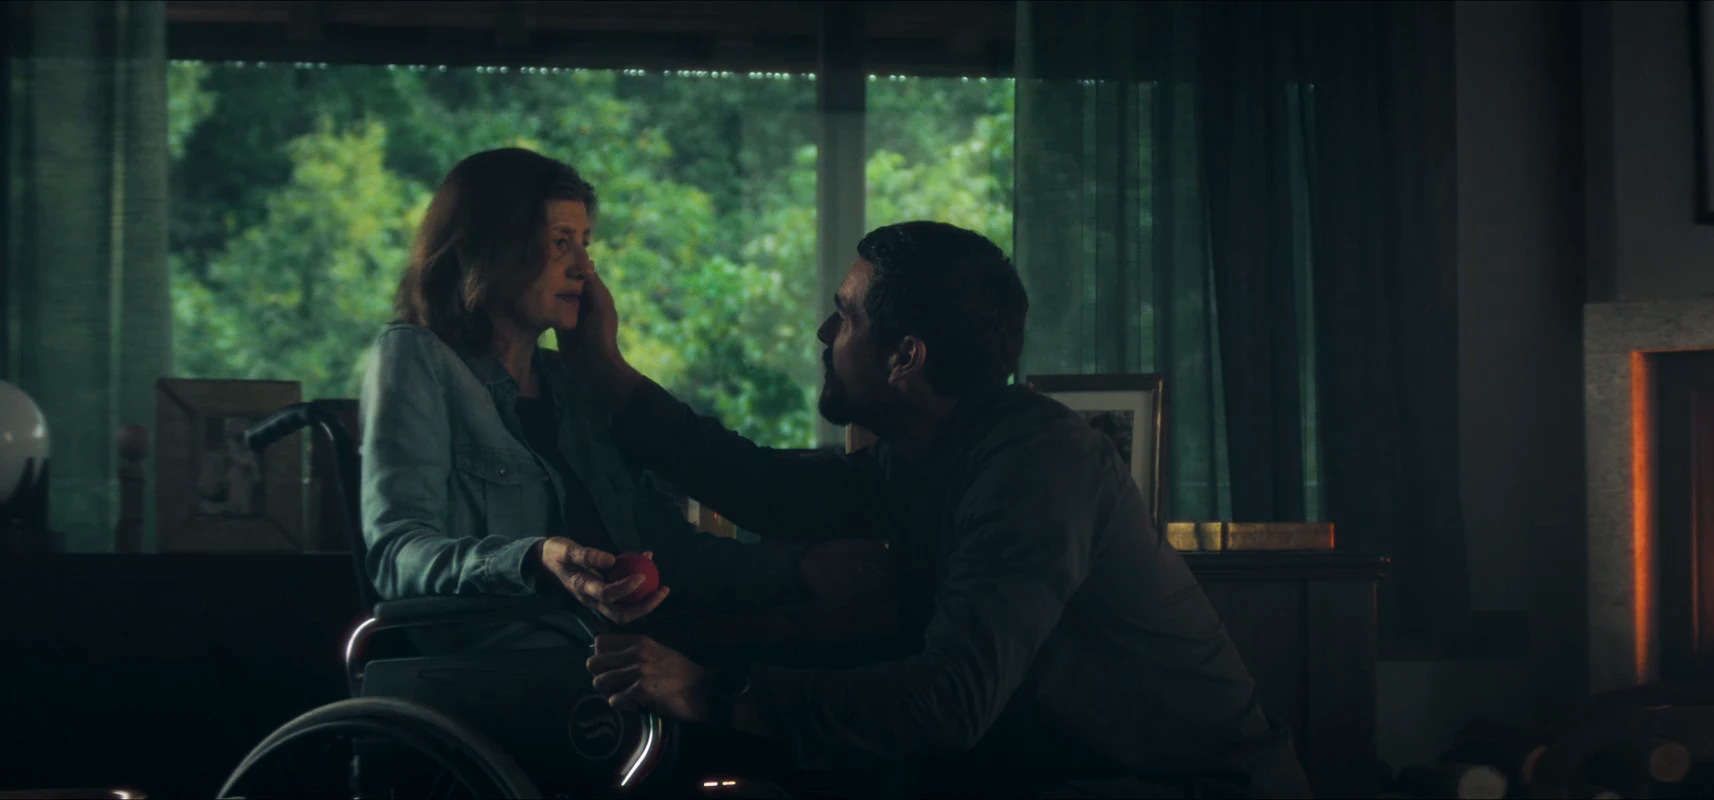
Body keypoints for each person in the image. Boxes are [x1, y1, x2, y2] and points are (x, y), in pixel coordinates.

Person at [566, 221, 1313, 798]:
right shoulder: (925, 450)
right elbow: (768, 489)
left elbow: (950, 700)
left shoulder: (1036, 465)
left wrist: (711, 690)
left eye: (845, 317)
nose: (825, 335)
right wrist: (608, 373)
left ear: (905, 357)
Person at [358, 148, 814, 650]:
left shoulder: (571, 383)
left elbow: (670, 549)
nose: (585, 268)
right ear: (491, 248)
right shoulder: (416, 358)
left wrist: (804, 571)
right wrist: (531, 559)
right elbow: (397, 555)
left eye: (585, 243)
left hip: (618, 659)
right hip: (505, 668)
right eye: (560, 243)